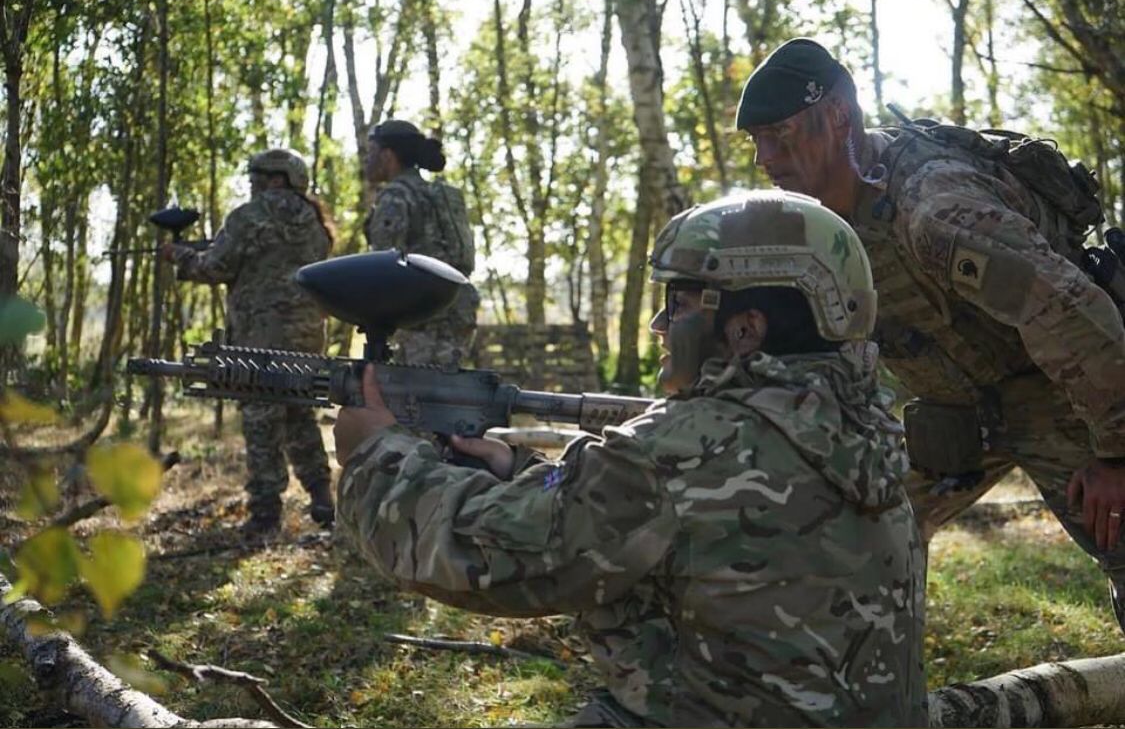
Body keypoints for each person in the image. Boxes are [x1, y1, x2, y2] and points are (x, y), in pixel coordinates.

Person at [332, 191, 927, 727]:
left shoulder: (677, 450)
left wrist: (376, 454)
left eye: (681, 303)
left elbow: (483, 561)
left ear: (745, 330)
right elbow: (654, 525)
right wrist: (521, 475)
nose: (660, 324)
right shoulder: (866, 428)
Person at [735, 37, 1125, 631]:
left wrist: (1117, 454)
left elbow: (1074, 316)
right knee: (854, 542)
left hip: (1066, 396)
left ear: (839, 114)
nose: (765, 156)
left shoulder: (937, 210)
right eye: (756, 140)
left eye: (780, 134)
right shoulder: (821, 226)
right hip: (958, 417)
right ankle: (871, 697)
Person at [164, 148, 335, 535]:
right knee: (299, 414)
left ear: (277, 178)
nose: (252, 184)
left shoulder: (249, 215)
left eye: (257, 176)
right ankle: (322, 498)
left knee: (261, 419)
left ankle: (265, 514)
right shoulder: (315, 221)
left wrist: (182, 257)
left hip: (258, 339)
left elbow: (216, 266)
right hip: (306, 338)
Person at [364, 119, 480, 367]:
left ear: (387, 155)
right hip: (457, 312)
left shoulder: (396, 196)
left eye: (370, 152)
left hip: (420, 320)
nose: (366, 160)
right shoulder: (438, 194)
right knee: (440, 395)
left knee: (411, 399)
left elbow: (382, 266)